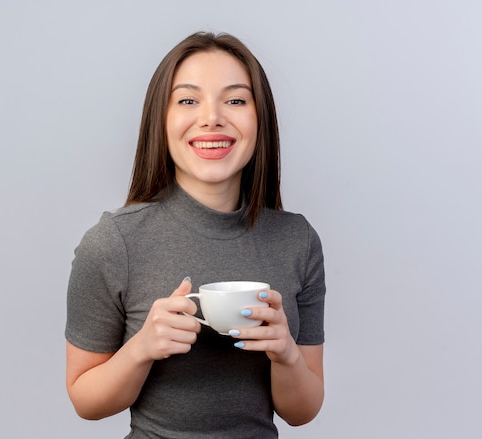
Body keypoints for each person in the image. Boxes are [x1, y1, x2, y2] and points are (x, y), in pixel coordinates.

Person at [65, 31, 326, 438]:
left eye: (235, 100)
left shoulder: (297, 241)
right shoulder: (112, 243)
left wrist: (286, 354)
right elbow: (85, 401)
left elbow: (302, 412)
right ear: (161, 119)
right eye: (188, 100)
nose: (212, 117)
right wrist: (142, 348)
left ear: (261, 119)